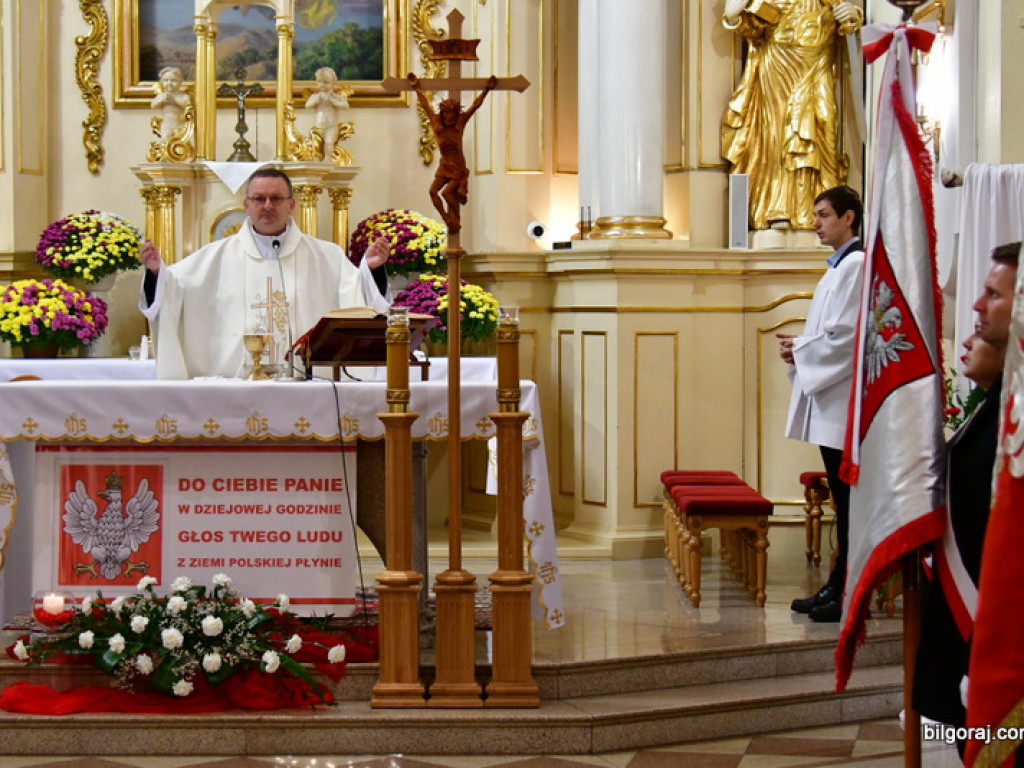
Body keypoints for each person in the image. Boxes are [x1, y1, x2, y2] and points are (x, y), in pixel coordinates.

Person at [138, 167, 391, 379]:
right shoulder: (214, 257)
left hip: (305, 384)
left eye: (276, 198)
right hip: (236, 384)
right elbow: (174, 287)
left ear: (291, 204)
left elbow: (358, 297)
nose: (267, 206)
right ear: (246, 206)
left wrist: (371, 271)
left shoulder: (327, 257)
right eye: (259, 199)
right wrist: (157, 273)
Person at [913, 243, 1018, 742]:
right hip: (968, 626)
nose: (976, 305)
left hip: (998, 630)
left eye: (993, 294)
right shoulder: (999, 399)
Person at [778, 185, 864, 623]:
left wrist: (802, 349)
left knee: (849, 503)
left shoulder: (855, 265)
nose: (816, 222)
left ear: (849, 218)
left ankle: (847, 589)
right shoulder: (837, 268)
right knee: (841, 501)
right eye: (815, 214)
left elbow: (846, 337)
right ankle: (837, 585)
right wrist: (801, 349)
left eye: (824, 214)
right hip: (831, 400)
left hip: (844, 404)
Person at [721, 0, 863, 231]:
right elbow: (748, 26)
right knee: (778, 137)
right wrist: (734, 12)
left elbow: (845, 19)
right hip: (778, 66)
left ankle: (823, 210)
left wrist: (853, 14)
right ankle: (778, 208)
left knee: (823, 129)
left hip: (817, 66)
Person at [408, 73, 497, 233]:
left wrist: (487, 90)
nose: (449, 116)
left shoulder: (460, 123)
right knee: (433, 192)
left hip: (457, 167)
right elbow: (425, 105)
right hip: (444, 165)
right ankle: (446, 217)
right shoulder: (436, 121)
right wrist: (416, 88)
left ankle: (455, 219)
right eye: (446, 113)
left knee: (448, 193)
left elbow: (475, 106)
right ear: (442, 113)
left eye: (452, 113)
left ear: (456, 114)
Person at [305, 67, 352, 153]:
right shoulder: (316, 96)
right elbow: (307, 105)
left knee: (329, 142)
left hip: (331, 126)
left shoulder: (335, 97)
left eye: (326, 82)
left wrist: (334, 102)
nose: (322, 85)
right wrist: (315, 101)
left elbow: (346, 105)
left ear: (333, 83)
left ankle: (328, 159)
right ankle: (317, 160)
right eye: (319, 82)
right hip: (318, 126)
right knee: (315, 145)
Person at [150, 67, 191, 140]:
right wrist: (161, 100)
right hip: (166, 124)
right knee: (166, 143)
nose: (169, 83)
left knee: (179, 143)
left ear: (180, 82)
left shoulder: (183, 96)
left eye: (174, 80)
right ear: (161, 82)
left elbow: (187, 105)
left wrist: (174, 99)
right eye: (166, 80)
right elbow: (153, 105)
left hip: (180, 125)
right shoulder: (162, 95)